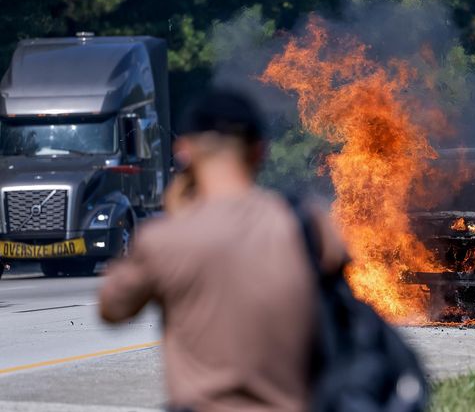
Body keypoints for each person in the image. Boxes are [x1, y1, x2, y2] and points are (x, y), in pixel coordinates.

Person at [99, 89, 347, 412]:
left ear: (183, 151)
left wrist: (177, 216)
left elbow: (112, 308)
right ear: (260, 152)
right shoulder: (308, 225)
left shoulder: (165, 240)